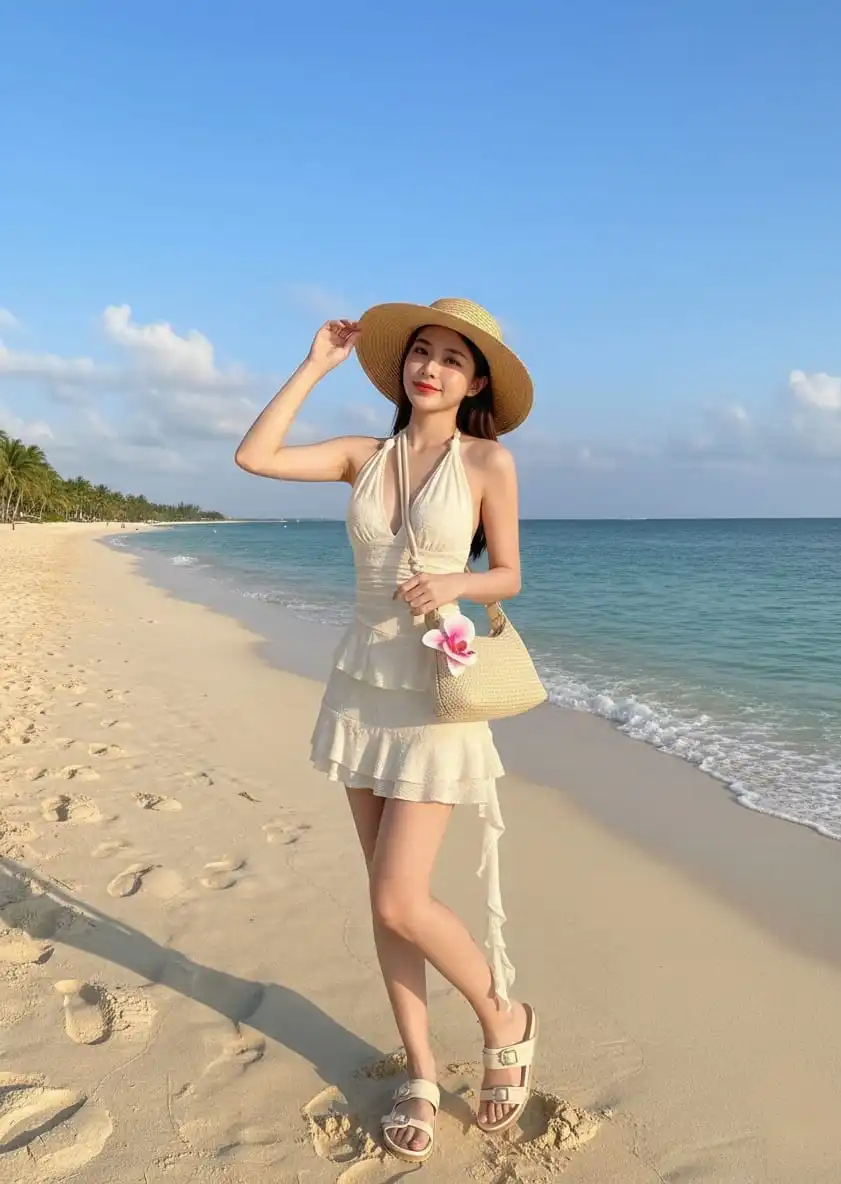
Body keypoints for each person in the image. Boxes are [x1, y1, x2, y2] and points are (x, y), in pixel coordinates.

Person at [235, 298, 538, 1164]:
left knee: (401, 896)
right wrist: (315, 364)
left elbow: (509, 573)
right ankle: (419, 1067)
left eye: (450, 358)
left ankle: (503, 1017)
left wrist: (457, 582)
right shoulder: (361, 456)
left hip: (434, 686)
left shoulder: (488, 460)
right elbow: (251, 457)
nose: (430, 367)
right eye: (420, 352)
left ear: (475, 380)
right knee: (385, 901)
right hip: (361, 686)